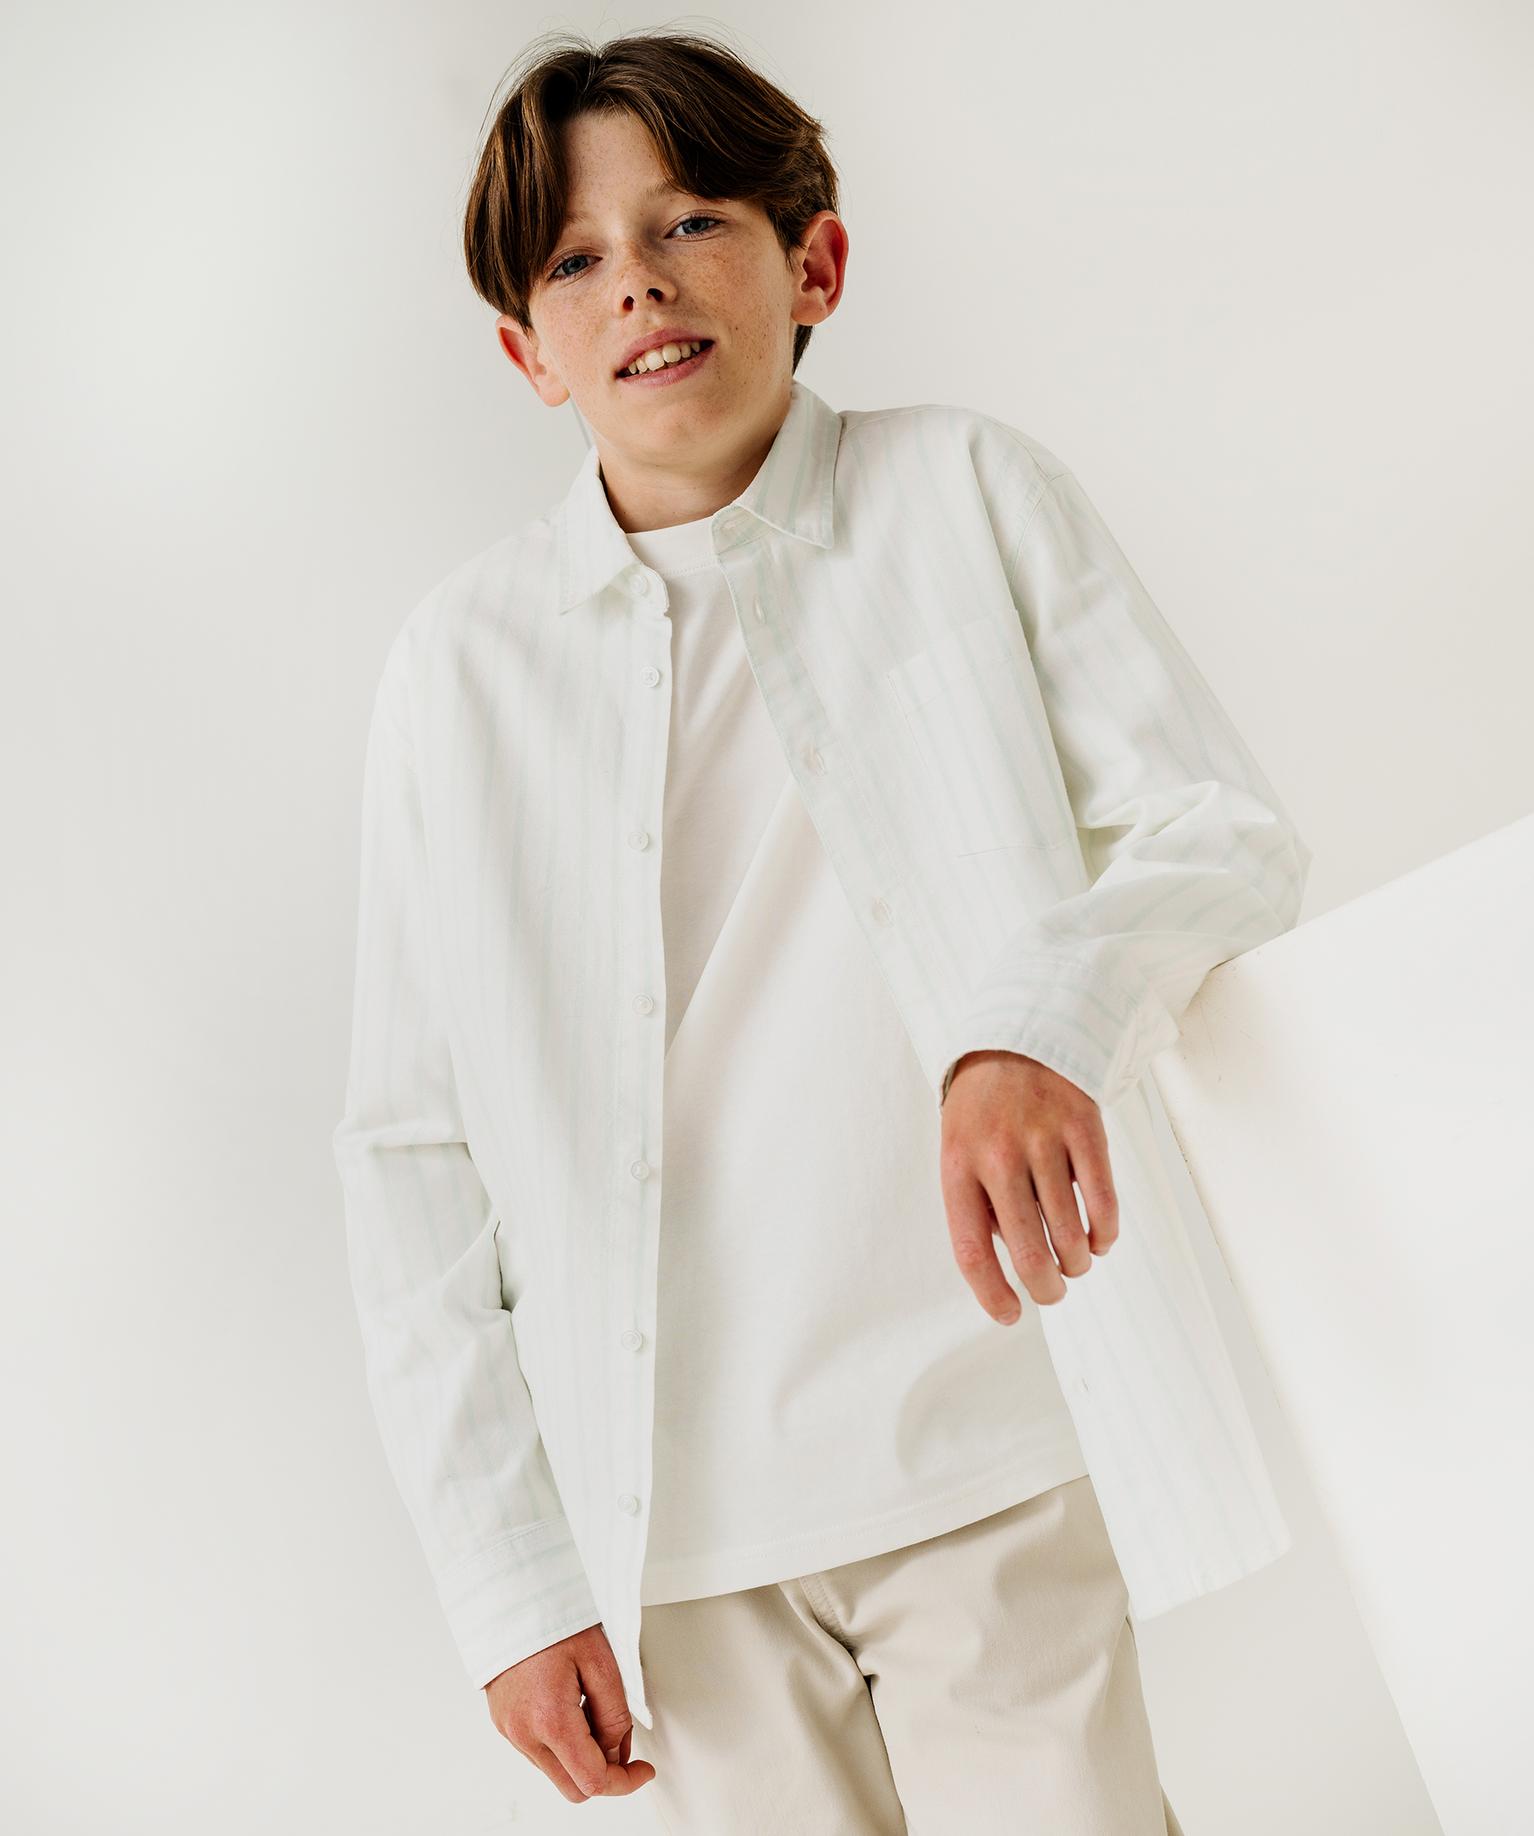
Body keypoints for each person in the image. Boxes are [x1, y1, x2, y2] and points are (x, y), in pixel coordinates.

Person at [332, 27, 1310, 1834]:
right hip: (674, 1538)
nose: (638, 283)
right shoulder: (457, 673)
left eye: (690, 221)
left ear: (816, 262)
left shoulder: (965, 495)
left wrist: (1034, 1021)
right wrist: (508, 1579)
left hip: (985, 1441)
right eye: (573, 261)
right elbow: (410, 1153)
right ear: (526, 352)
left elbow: (1218, 832)